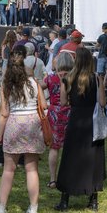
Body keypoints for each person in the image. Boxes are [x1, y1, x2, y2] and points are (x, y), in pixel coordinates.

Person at [0, 45, 46, 213]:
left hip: (14, 124)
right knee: (31, 170)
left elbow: (4, 113)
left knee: (8, 170)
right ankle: (33, 209)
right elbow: (44, 106)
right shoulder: (34, 82)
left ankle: (1, 208)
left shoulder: (6, 86)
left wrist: (0, 136)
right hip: (33, 123)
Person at [54, 46, 105, 211]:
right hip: (92, 122)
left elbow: (63, 103)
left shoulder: (68, 78)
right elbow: (102, 103)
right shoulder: (96, 79)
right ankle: (93, 200)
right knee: (93, 159)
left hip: (76, 121)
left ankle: (64, 200)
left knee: (70, 158)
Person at [44, 52, 74, 189]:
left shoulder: (51, 78)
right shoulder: (74, 78)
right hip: (70, 112)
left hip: (54, 113)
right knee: (70, 148)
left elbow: (38, 86)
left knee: (54, 148)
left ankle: (52, 179)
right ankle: (69, 177)